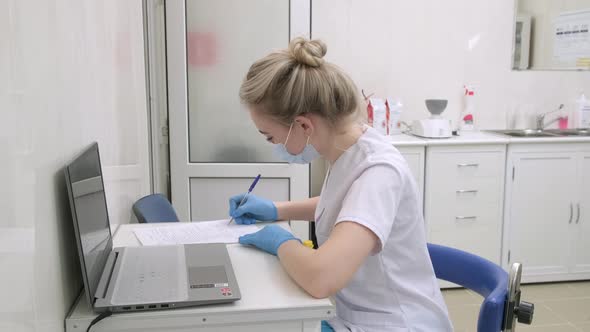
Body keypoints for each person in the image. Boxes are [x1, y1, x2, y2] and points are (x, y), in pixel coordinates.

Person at [229, 37, 453, 332]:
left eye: (270, 137)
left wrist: (281, 241)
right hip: (363, 314)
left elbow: (322, 278)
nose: (273, 146)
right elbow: (346, 205)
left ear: (304, 126)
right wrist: (275, 209)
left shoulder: (380, 172)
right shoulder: (350, 146)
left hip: (398, 323)